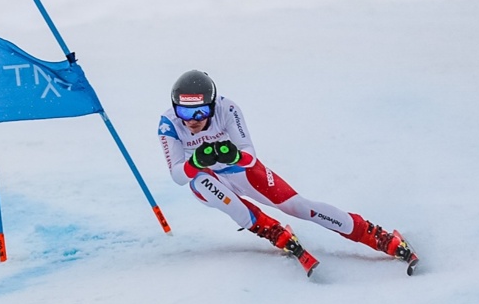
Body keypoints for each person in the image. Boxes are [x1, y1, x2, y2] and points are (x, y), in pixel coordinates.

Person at [157, 70, 417, 274]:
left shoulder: (228, 109)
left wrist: (234, 155)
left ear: (213, 105)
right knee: (216, 193)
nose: (193, 119)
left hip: (238, 169)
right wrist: (196, 163)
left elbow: (249, 155)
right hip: (204, 178)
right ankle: (271, 230)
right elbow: (178, 176)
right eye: (184, 111)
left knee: (299, 207)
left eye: (201, 110)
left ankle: (376, 236)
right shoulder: (169, 124)